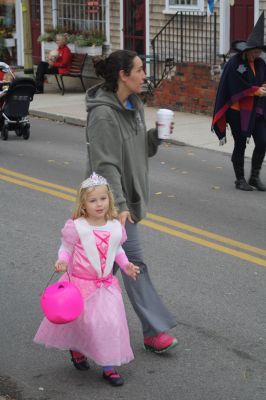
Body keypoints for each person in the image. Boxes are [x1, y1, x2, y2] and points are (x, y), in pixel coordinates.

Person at [85, 49, 178, 354]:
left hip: (126, 205)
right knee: (132, 265)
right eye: (138, 70)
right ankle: (153, 331)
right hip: (109, 206)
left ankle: (76, 324)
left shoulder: (134, 105)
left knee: (103, 273)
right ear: (123, 76)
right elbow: (105, 165)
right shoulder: (103, 114)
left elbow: (139, 150)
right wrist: (121, 206)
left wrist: (156, 138)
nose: (143, 75)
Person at [34, 172, 140, 387]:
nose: (99, 204)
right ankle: (77, 350)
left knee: (109, 323)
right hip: (79, 284)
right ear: (83, 204)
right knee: (81, 323)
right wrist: (62, 260)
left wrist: (126, 265)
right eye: (93, 200)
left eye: (103, 198)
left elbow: (117, 248)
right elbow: (66, 247)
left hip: (105, 285)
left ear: (109, 199)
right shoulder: (77, 226)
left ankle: (109, 366)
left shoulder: (114, 226)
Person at [212, 12, 266, 191]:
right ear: (247, 49)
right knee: (241, 143)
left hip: (256, 111)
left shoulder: (260, 63)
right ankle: (240, 179)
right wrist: (254, 90)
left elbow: (264, 79)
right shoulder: (234, 63)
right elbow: (234, 86)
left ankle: (254, 177)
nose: (256, 55)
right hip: (237, 111)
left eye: (259, 52)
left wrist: (263, 87)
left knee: (263, 141)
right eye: (254, 52)